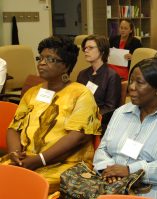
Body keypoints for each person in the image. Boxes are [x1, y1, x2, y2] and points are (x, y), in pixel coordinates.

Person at [0, 36, 101, 193]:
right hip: (26, 160)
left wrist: (39, 160)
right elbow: (14, 127)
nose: (42, 63)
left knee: (24, 187)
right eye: (40, 58)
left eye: (50, 59)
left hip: (65, 164)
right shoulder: (32, 93)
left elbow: (78, 136)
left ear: (65, 66)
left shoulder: (81, 93)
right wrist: (14, 153)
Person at [93, 58, 157, 199]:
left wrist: (130, 171)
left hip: (153, 191)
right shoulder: (121, 112)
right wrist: (109, 170)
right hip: (111, 186)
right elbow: (103, 149)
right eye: (131, 80)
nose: (131, 87)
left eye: (139, 82)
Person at [77, 34, 121, 115]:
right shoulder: (82, 74)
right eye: (85, 48)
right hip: (80, 116)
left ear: (102, 50)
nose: (86, 50)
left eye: (90, 48)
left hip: (99, 120)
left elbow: (110, 108)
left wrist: (89, 117)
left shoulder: (112, 76)